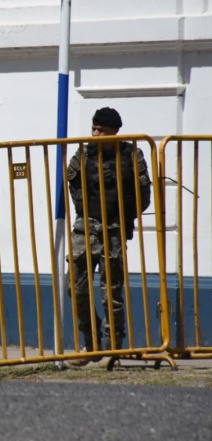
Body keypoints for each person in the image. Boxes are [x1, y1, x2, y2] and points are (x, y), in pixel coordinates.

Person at [67, 107, 150, 366]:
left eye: (100, 130)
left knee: (110, 293)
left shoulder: (131, 155)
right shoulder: (83, 153)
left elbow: (143, 195)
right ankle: (91, 345)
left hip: (114, 229)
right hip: (86, 227)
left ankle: (114, 348)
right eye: (93, 128)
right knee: (75, 287)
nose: (95, 133)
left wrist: (122, 215)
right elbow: (73, 185)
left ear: (115, 131)